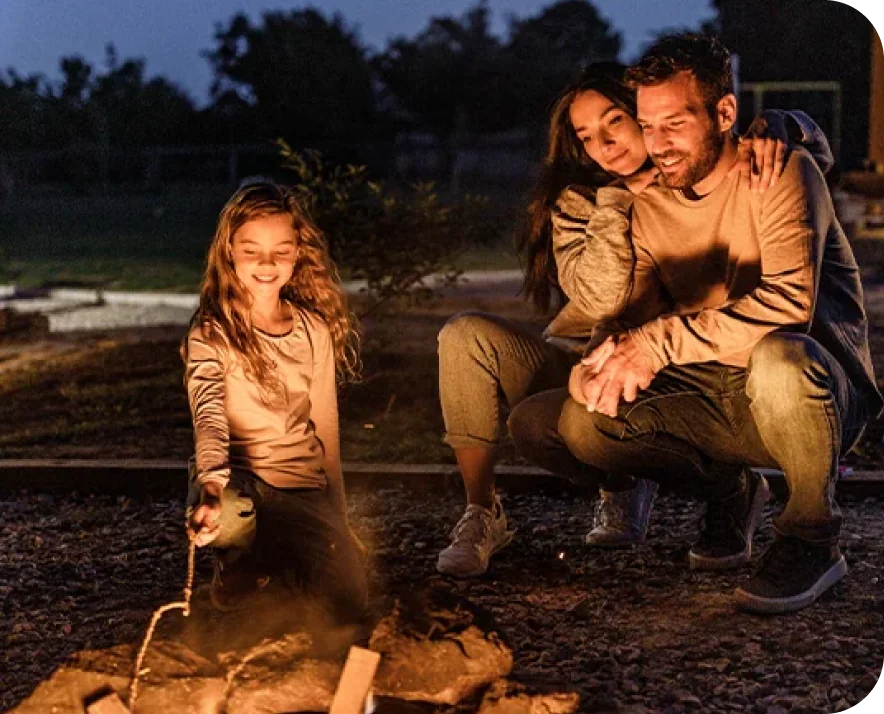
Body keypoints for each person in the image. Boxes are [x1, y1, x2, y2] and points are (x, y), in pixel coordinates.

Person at [435, 61, 808, 579]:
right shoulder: (580, 201)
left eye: (614, 122)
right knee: (465, 338)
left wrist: (785, 124)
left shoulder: (689, 169)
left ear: (643, 116)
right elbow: (603, 297)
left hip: (673, 365)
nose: (603, 145)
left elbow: (797, 163)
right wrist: (616, 199)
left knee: (590, 420)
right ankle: (485, 511)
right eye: (586, 136)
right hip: (590, 353)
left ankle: (718, 489)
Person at [561, 33, 882, 614]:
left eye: (675, 124)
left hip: (815, 389)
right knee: (581, 424)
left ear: (725, 112)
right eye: (647, 126)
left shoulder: (780, 167)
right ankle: (731, 491)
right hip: (717, 384)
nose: (656, 144)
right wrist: (600, 363)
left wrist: (655, 346)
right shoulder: (647, 203)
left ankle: (812, 537)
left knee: (781, 356)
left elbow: (789, 305)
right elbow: (627, 317)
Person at [183, 179, 368, 627]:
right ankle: (237, 564)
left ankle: (282, 563)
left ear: (296, 254)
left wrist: (339, 520)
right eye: (252, 250)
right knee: (231, 512)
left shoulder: (313, 331)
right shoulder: (211, 333)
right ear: (229, 250)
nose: (267, 264)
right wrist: (209, 486)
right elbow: (208, 415)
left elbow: (325, 430)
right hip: (237, 484)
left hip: (301, 490)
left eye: (281, 251)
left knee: (349, 602)